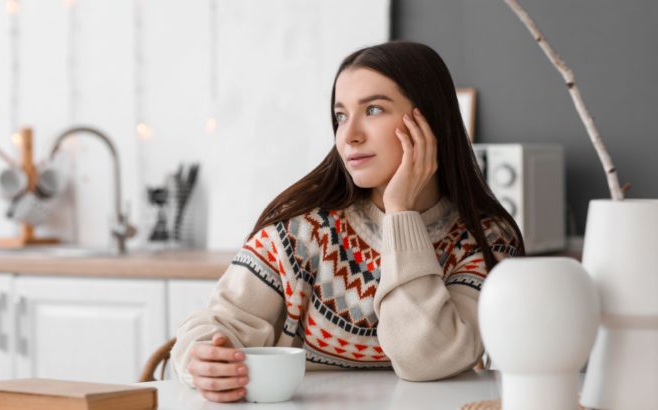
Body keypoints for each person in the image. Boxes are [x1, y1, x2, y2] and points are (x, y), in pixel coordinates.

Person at [171, 40, 525, 403]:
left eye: (373, 109)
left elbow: (427, 359)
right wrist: (201, 358)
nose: (349, 134)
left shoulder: (485, 240)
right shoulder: (301, 233)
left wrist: (400, 213)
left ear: (428, 120)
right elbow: (215, 324)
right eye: (341, 116)